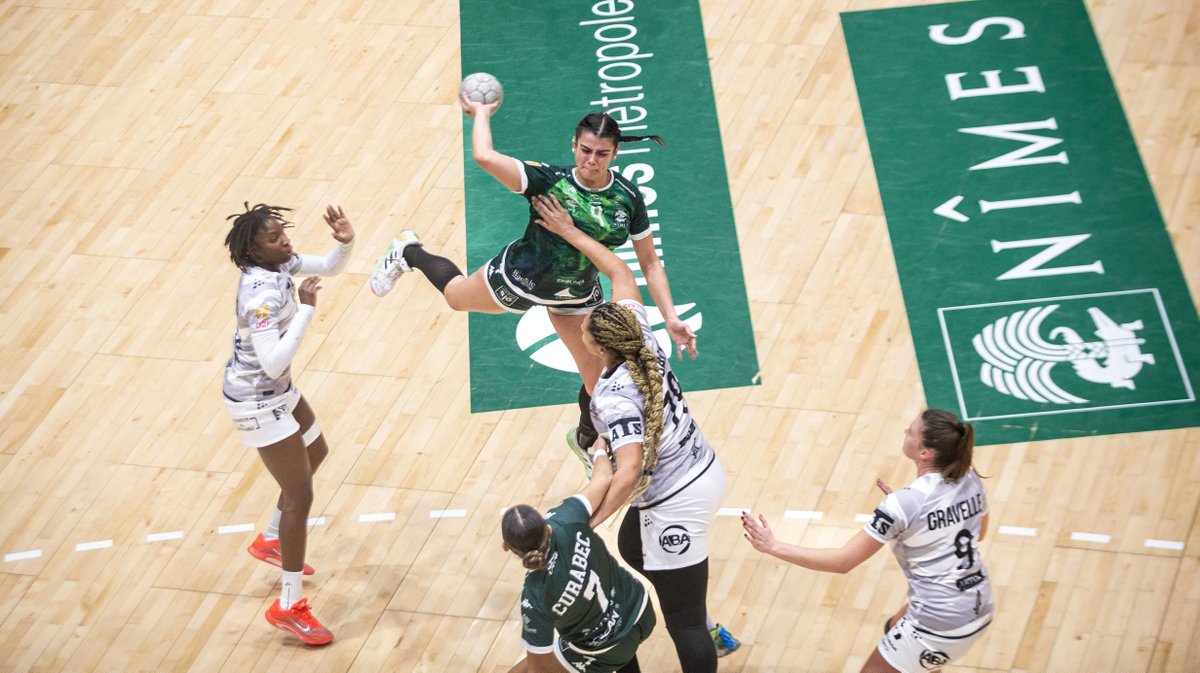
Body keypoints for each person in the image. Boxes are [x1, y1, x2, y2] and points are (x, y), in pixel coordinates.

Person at [367, 95, 697, 451]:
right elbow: (484, 156)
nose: (591, 160)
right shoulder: (548, 180)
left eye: (601, 154)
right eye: (585, 150)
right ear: (573, 145)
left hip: (578, 296)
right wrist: (480, 112)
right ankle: (409, 250)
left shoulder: (628, 198)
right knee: (454, 297)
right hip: (519, 278)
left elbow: (649, 263)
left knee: (599, 384)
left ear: (615, 154)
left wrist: (671, 317)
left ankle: (585, 442)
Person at [531, 195, 740, 670]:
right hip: (700, 469)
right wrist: (568, 231)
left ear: (597, 343)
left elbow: (627, 474)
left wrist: (579, 527)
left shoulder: (614, 398)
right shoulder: (640, 333)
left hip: (676, 500)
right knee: (630, 546)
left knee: (683, 623)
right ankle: (689, 601)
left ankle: (702, 624)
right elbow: (622, 273)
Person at [741, 409, 994, 673]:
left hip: (939, 622)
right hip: (979, 603)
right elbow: (979, 533)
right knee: (895, 629)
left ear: (925, 453)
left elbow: (843, 562)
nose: (905, 433)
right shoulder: (969, 478)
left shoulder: (903, 504)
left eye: (911, 432)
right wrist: (917, 520)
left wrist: (773, 546)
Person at [222, 202, 355, 646]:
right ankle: (289, 605)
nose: (286, 241)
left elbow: (330, 266)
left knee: (316, 451)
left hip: (276, 392)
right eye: (275, 238)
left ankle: (272, 540)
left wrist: (345, 240)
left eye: (283, 232)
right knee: (300, 495)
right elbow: (274, 363)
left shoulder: (281, 262)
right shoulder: (259, 296)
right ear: (255, 252)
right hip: (258, 400)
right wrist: (306, 310)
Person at [503, 450, 656, 673]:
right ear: (546, 528)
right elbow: (603, 477)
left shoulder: (534, 597)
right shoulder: (565, 517)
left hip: (604, 649)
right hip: (640, 609)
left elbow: (540, 669)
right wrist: (600, 449)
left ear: (506, 547)